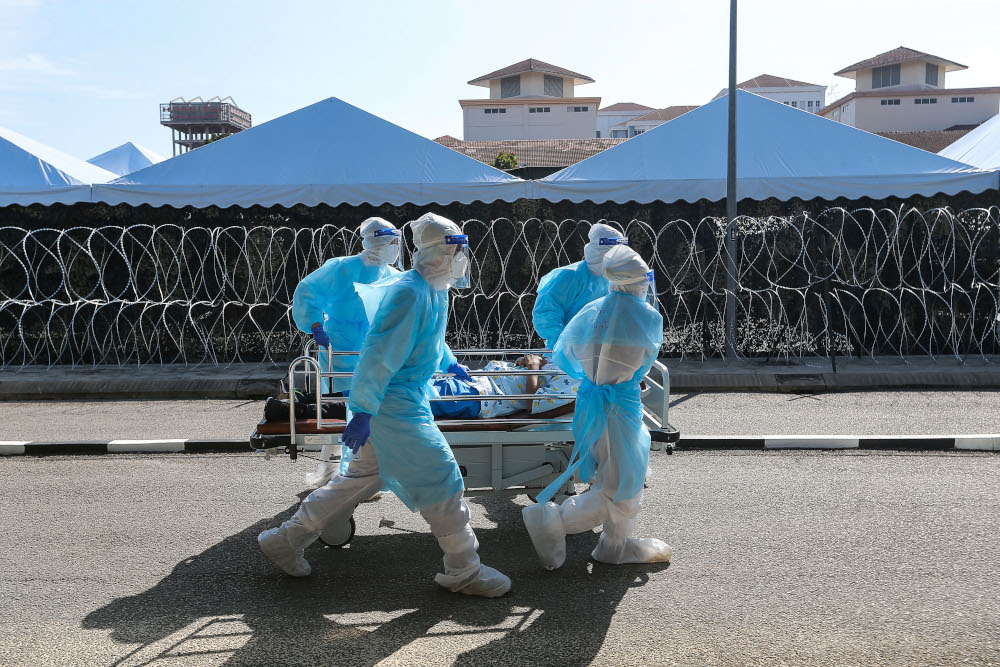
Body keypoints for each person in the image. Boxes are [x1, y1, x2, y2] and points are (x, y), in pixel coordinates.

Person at [258, 213, 511, 598]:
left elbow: (426, 339)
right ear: (439, 251)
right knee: (442, 477)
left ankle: (284, 540)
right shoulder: (410, 291)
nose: (462, 256)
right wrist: (361, 411)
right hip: (393, 403)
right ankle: (464, 569)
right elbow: (378, 356)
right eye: (456, 248)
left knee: (358, 480)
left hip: (402, 397)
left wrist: (448, 362)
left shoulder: (432, 289)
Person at [522, 245, 671, 569]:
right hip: (620, 406)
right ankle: (554, 522)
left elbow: (567, 353)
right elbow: (643, 362)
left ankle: (612, 547)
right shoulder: (644, 316)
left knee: (619, 480)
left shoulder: (594, 311)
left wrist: (596, 378)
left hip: (593, 402)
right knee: (619, 487)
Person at [291, 217, 401, 485]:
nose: (396, 247)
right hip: (341, 349)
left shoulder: (393, 275)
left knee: (367, 414)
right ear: (377, 241)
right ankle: (344, 475)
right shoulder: (341, 268)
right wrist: (315, 325)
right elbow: (307, 290)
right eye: (392, 242)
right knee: (349, 411)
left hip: (374, 350)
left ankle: (356, 475)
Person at [532, 223, 628, 351]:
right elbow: (546, 314)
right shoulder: (570, 276)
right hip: (566, 355)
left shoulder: (615, 279)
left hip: (603, 353)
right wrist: (565, 345)